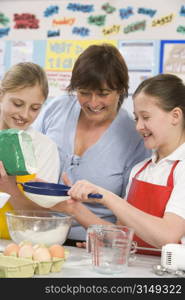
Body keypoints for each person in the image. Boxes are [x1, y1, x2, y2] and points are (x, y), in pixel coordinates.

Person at [33, 43, 150, 245]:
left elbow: (129, 219)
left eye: (103, 94)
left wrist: (105, 238)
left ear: (120, 90)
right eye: (84, 92)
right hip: (40, 234)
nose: (93, 103)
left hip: (92, 244)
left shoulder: (135, 138)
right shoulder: (57, 109)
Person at [59, 73, 185, 254]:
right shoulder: (140, 170)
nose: (138, 126)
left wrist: (106, 196)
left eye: (146, 117)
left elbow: (167, 236)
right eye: (136, 118)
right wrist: (74, 208)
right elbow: (123, 237)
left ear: (175, 116)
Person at [0, 62, 60, 239]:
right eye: (18, 104)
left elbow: (42, 217)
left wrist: (10, 188)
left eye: (35, 108)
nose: (25, 115)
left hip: (19, 246)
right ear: (1, 95)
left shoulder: (44, 148)